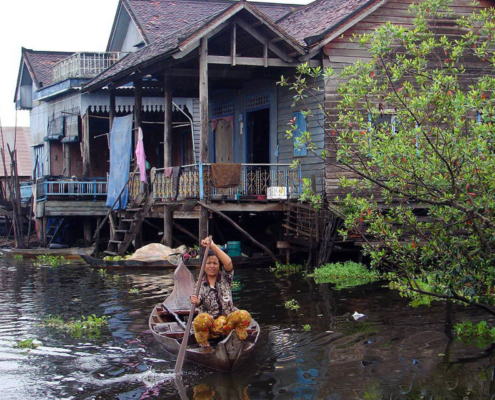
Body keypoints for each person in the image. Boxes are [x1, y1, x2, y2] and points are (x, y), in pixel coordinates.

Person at [190, 237, 251, 347]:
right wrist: (197, 300)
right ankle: (204, 344)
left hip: (228, 323)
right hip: (211, 326)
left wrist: (213, 246)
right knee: (199, 320)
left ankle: (240, 339)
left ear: (219, 266)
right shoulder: (200, 283)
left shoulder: (225, 278)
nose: (212, 266)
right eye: (208, 263)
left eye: (215, 263)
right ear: (204, 266)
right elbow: (197, 298)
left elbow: (228, 263)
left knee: (244, 315)